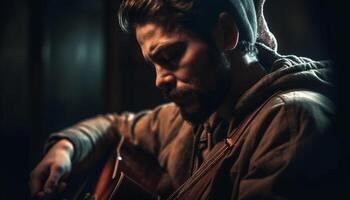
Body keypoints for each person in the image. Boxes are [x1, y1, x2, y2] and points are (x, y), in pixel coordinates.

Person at [29, 0, 340, 199]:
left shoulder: (291, 120)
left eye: (171, 56)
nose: (159, 80)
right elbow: (117, 124)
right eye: (153, 65)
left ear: (226, 32)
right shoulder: (197, 113)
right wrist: (65, 148)